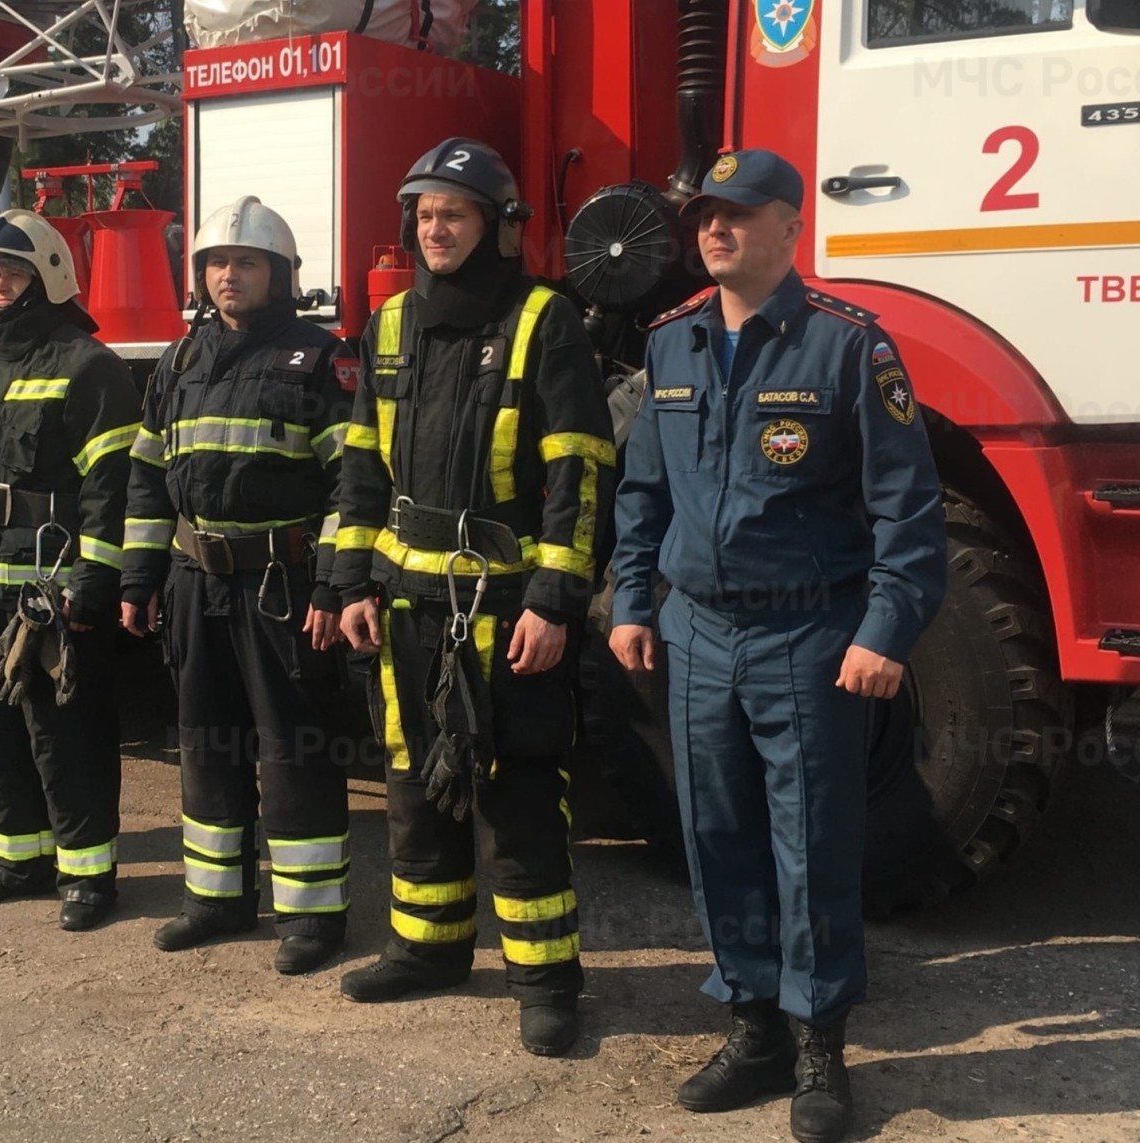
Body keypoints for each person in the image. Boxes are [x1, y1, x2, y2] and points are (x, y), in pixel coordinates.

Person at [608, 149, 947, 1143]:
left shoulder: (848, 347)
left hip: (808, 631)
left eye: (740, 214)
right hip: (697, 630)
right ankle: (750, 1025)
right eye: (706, 215)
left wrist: (885, 631)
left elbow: (907, 510)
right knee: (714, 838)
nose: (715, 230)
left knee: (810, 846)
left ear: (790, 226)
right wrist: (631, 602)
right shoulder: (669, 343)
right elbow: (641, 493)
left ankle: (817, 1047)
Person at [330, 139, 617, 1056]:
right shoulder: (386, 327)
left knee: (519, 789)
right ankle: (429, 949)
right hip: (408, 600)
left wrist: (555, 600)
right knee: (414, 785)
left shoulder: (545, 319)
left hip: (506, 610)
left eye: (452, 213)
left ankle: (544, 978)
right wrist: (349, 581)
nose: (435, 228)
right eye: (422, 215)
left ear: (495, 223)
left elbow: (578, 467)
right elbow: (361, 467)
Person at [121, 196, 355, 976]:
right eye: (217, 263)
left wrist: (330, 586)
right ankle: (215, 900)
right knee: (203, 743)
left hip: (279, 586)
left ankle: (311, 915)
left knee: (293, 749)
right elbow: (148, 476)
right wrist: (139, 575)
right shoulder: (180, 360)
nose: (229, 276)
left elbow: (350, 484)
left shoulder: (318, 359)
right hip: (194, 582)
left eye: (246, 263)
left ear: (279, 274)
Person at [0, 210, 142, 932]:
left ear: (51, 277)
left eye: (14, 271)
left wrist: (92, 580)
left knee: (66, 731)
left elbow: (109, 490)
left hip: (51, 587)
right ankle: (11, 858)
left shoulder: (90, 367)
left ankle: (87, 876)